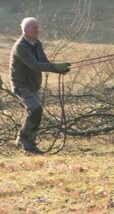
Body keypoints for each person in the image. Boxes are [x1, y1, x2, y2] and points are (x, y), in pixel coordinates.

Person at [9, 17, 71, 153]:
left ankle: (30, 144)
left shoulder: (37, 44)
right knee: (35, 109)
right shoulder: (20, 46)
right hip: (21, 85)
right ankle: (22, 137)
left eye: (37, 27)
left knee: (38, 112)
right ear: (25, 30)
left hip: (33, 85)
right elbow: (35, 66)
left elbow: (45, 62)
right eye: (34, 27)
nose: (37, 30)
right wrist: (55, 67)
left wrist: (60, 69)